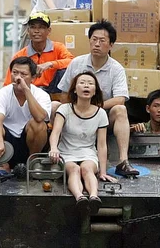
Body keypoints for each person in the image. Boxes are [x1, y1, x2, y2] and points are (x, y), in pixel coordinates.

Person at [57, 20, 139, 177]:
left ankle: (123, 162)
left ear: (111, 45)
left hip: (102, 118)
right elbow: (64, 95)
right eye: (94, 39)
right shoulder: (76, 63)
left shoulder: (116, 68)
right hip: (75, 115)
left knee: (120, 110)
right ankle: (55, 153)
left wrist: (94, 109)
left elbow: (120, 99)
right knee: (55, 107)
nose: (97, 44)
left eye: (102, 41)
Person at [49, 72, 117, 214]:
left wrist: (103, 171)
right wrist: (54, 148)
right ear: (74, 89)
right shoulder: (64, 109)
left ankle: (94, 197)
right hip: (66, 152)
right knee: (74, 169)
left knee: (87, 168)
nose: (86, 86)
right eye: (82, 83)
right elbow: (55, 132)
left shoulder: (100, 114)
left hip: (88, 152)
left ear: (95, 91)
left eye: (90, 84)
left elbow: (102, 144)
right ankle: (79, 197)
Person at [0, 56, 51, 168]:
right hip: (7, 143)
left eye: (23, 74)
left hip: (31, 141)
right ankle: (3, 165)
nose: (18, 77)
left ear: (33, 77)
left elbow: (40, 117)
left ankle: (32, 163)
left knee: (38, 125)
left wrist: (26, 90)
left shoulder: (41, 95)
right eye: (15, 73)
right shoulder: (1, 94)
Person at [4, 12, 74, 96]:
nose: (36, 31)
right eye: (33, 27)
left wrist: (50, 64)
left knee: (64, 71)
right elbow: (8, 83)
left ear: (49, 31)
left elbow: (72, 61)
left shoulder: (58, 47)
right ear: (28, 31)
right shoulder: (20, 55)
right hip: (29, 92)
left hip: (53, 90)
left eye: (41, 27)